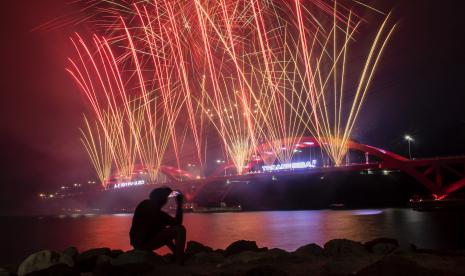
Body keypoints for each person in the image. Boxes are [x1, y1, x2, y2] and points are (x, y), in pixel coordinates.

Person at [129, 186, 186, 263]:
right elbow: (177, 224)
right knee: (180, 230)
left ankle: (176, 253)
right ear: (161, 198)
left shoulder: (144, 205)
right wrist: (179, 205)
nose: (166, 200)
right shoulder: (154, 210)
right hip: (144, 244)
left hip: (137, 242)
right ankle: (179, 259)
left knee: (163, 228)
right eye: (165, 197)